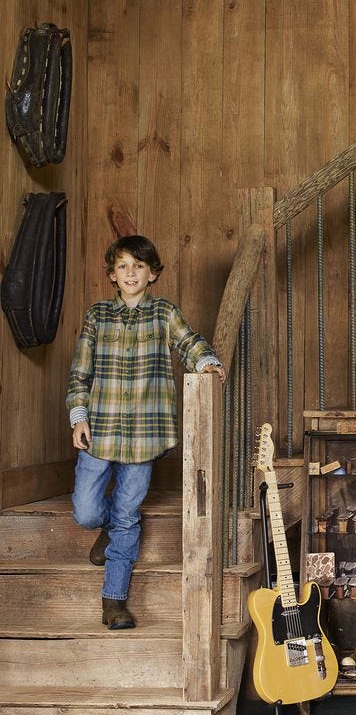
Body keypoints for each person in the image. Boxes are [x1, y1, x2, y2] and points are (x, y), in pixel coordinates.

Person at [67, 235, 225, 630]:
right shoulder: (97, 315)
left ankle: (114, 601)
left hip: (144, 433)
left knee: (126, 516)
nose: (131, 273)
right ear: (112, 275)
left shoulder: (164, 313)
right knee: (85, 511)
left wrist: (206, 362)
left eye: (139, 266)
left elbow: (189, 342)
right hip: (99, 430)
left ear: (152, 273)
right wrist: (79, 416)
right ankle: (103, 528)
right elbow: (80, 372)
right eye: (122, 266)